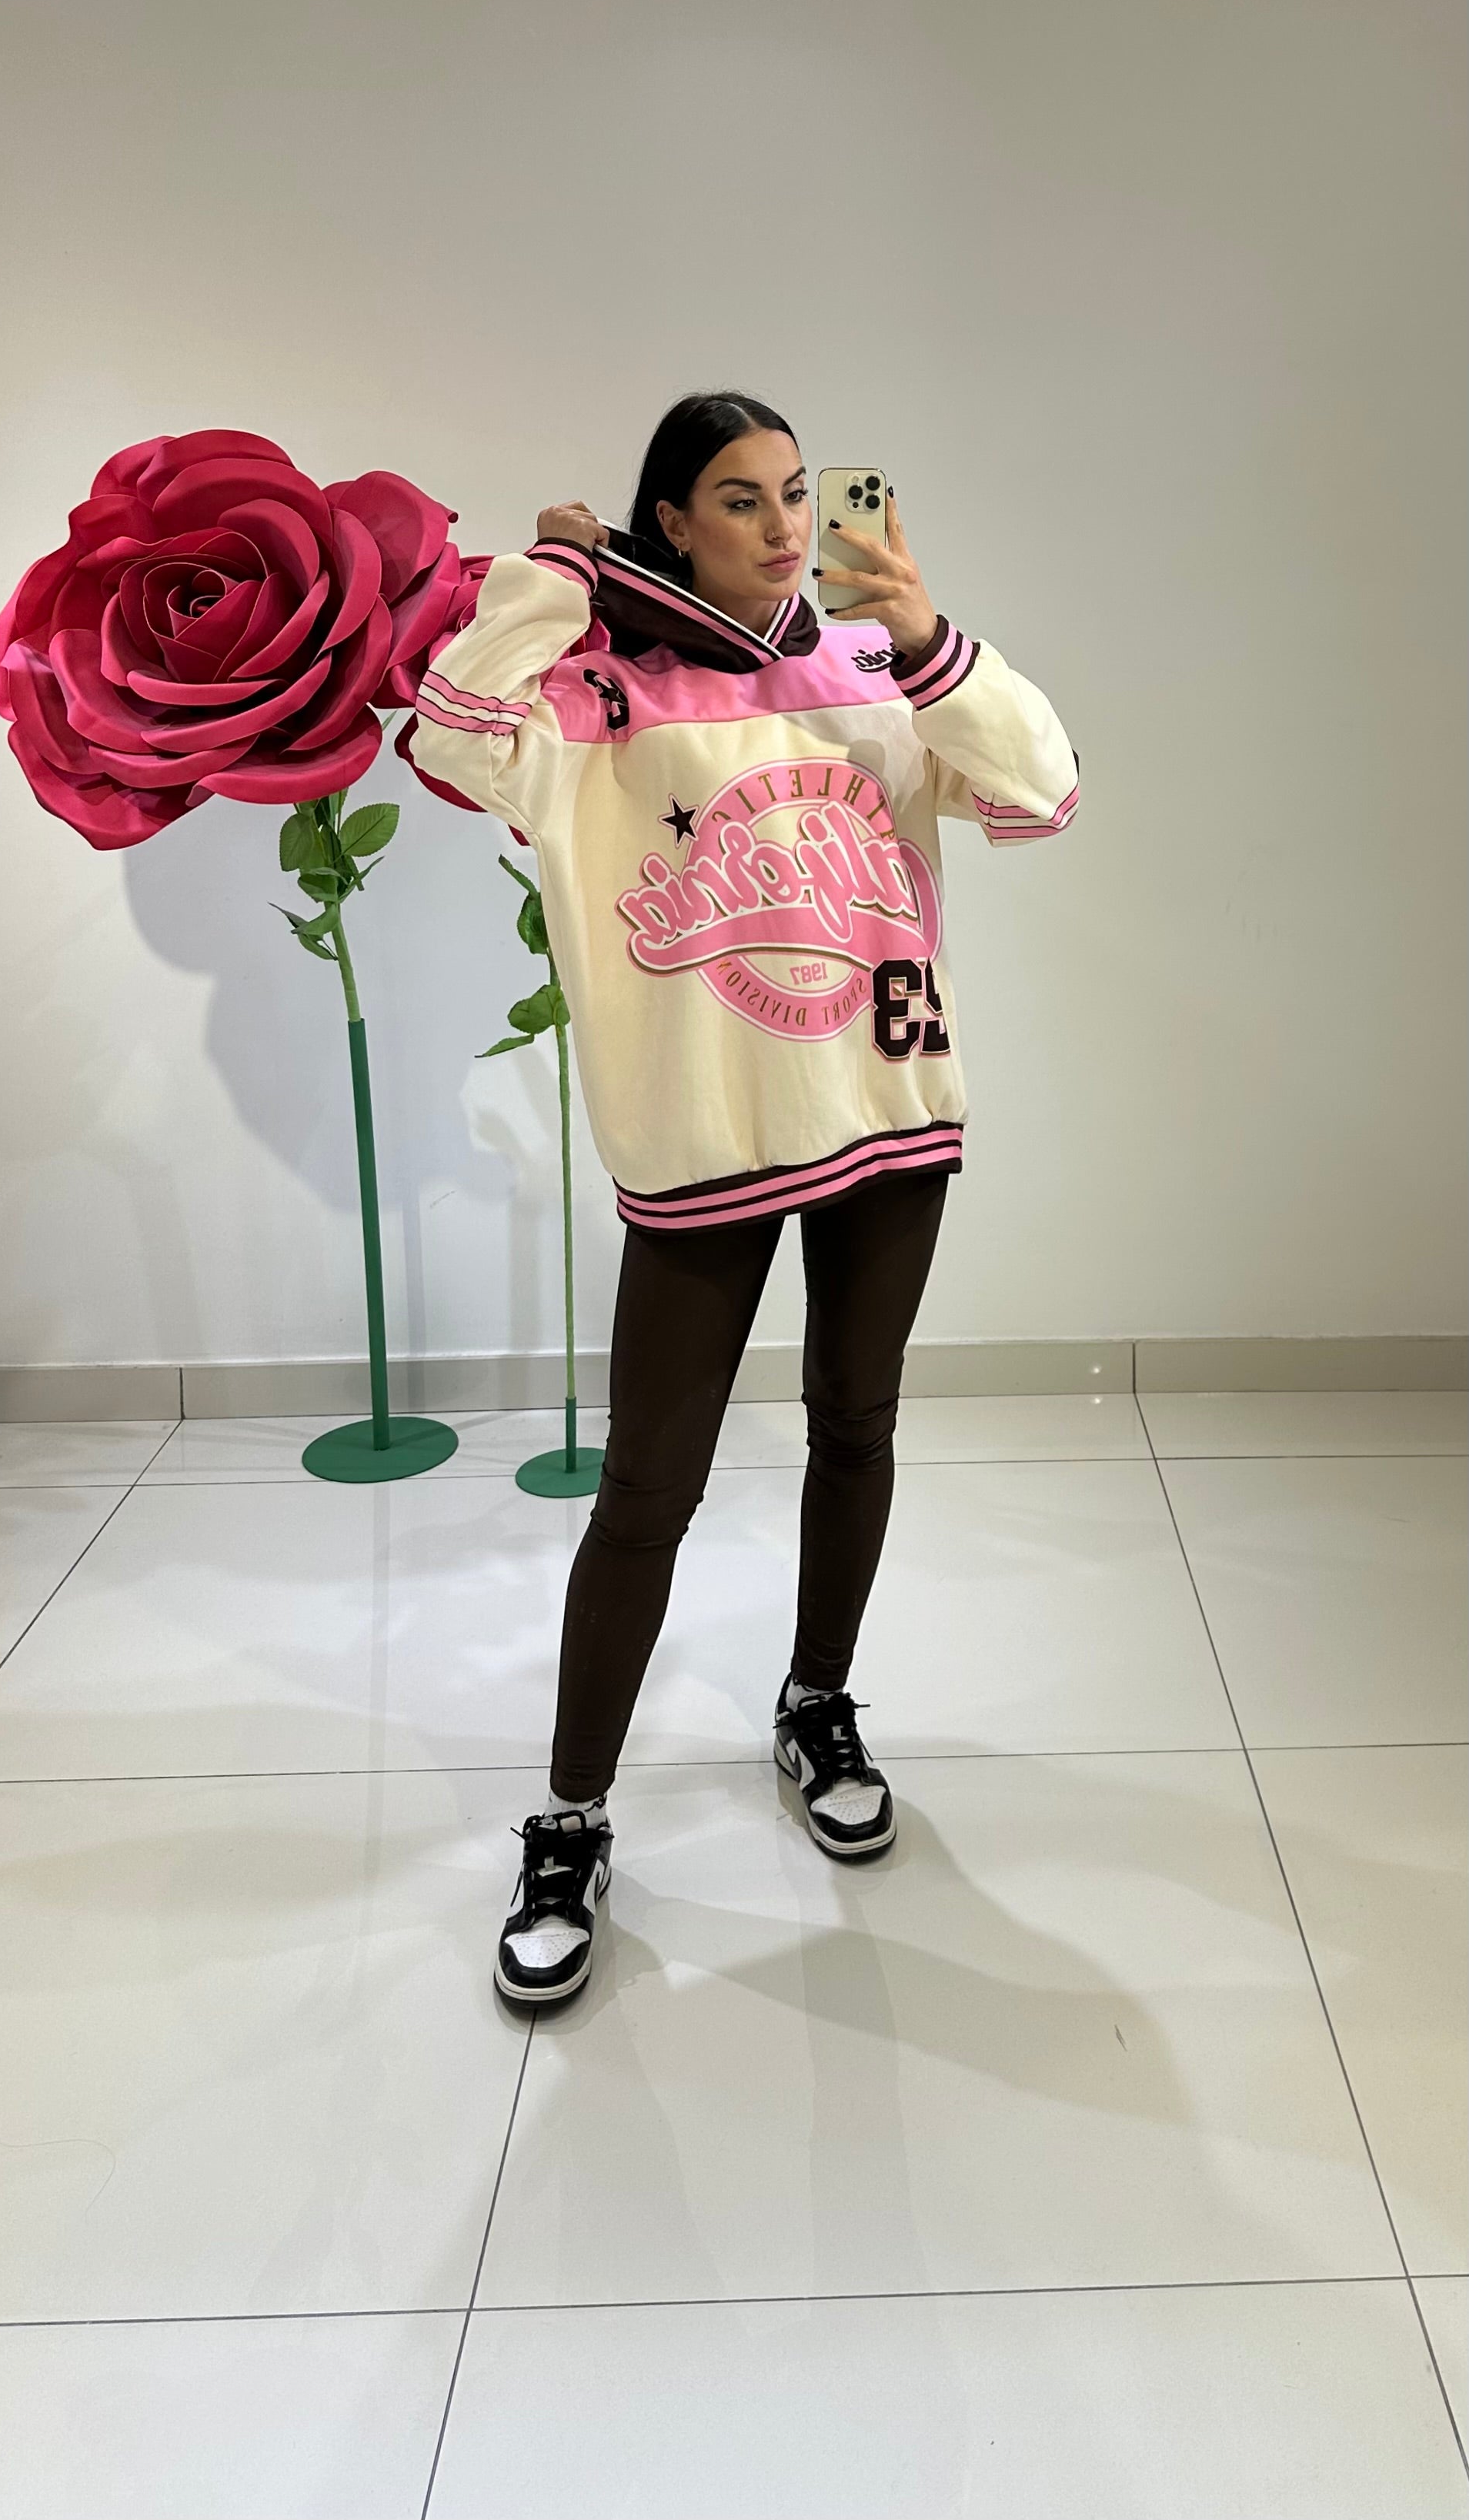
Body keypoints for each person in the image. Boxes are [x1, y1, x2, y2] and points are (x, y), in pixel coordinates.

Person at [406, 392, 1078, 2004]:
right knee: (649, 1486)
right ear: (673, 518)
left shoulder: (875, 671)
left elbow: (1044, 791)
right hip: (702, 1145)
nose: (782, 525)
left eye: (794, 492)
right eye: (739, 497)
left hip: (887, 1116)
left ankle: (817, 1702)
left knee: (858, 1422)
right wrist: (555, 578)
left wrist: (929, 639)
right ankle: (571, 1816)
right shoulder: (598, 694)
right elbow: (447, 730)